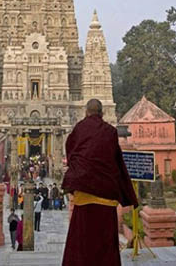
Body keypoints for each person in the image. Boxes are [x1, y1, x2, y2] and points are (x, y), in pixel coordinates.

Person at [61, 99, 138, 266]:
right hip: (106, 192)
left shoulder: (79, 128)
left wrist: (77, 174)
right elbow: (117, 161)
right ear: (102, 113)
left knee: (82, 239)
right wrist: (127, 193)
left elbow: (71, 152)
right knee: (105, 240)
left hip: (83, 191)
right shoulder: (110, 131)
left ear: (86, 112)